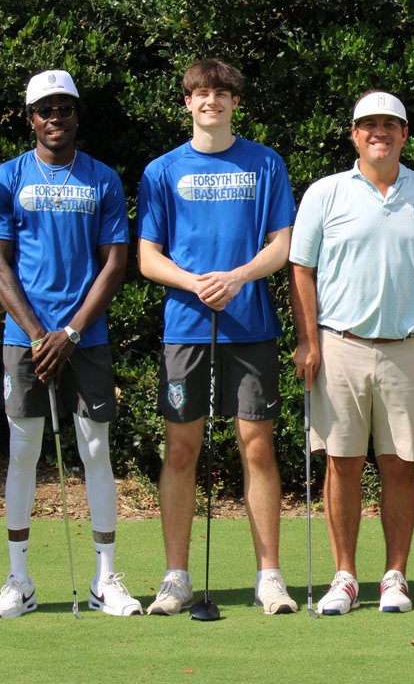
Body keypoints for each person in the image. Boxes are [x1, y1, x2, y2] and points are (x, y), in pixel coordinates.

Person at [289, 90, 414, 615]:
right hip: (340, 345)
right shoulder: (325, 192)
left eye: (390, 125)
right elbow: (302, 266)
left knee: (399, 465)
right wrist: (307, 339)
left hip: (408, 350)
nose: (379, 133)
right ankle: (344, 576)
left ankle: (395, 576)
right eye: (369, 125)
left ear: (405, 134)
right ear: (354, 134)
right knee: (342, 464)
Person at [137, 59, 296, 615]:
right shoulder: (161, 170)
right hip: (186, 328)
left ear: (234, 102)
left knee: (257, 446)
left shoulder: (264, 163)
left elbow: (282, 243)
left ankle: (269, 576)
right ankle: (175, 577)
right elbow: (147, 256)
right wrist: (194, 282)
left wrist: (237, 277)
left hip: (249, 325)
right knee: (181, 449)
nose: (212, 102)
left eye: (222, 93)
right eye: (201, 94)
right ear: (187, 103)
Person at [0, 70, 137, 617]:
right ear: (31, 118)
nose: (55, 118)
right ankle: (19, 581)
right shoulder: (6, 178)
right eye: (45, 110)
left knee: (96, 448)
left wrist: (69, 332)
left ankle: (104, 580)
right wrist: (36, 334)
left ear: (76, 116)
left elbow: (115, 263)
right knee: (24, 449)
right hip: (27, 340)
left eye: (64, 109)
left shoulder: (102, 179)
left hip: (85, 338)